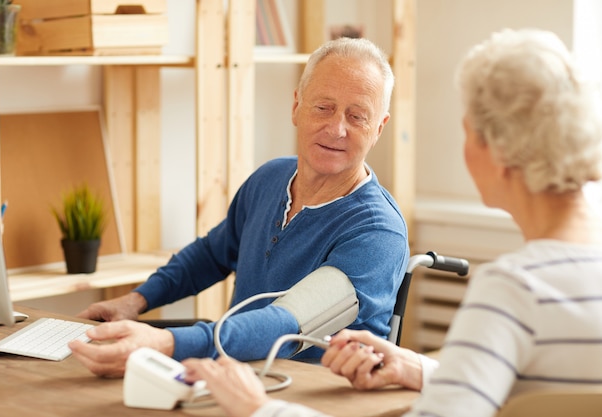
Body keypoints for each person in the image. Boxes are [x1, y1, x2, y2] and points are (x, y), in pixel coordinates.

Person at [180, 28, 602, 417]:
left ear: (498, 152)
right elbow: (531, 384)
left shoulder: (514, 291)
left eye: (468, 131)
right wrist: (420, 368)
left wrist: (258, 408)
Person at [68, 37, 410, 378]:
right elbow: (211, 255)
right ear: (296, 106)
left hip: (312, 397)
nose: (336, 129)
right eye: (323, 107)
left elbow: (287, 325)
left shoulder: (378, 233)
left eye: (357, 116)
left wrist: (166, 343)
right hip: (234, 379)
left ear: (379, 128)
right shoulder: (270, 178)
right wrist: (135, 302)